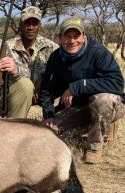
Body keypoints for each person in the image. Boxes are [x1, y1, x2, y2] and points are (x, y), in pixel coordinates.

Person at [40, 16, 125, 164]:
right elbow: (47, 88)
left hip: (107, 104)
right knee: (50, 134)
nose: (72, 41)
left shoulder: (99, 53)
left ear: (84, 36)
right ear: (60, 38)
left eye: (76, 36)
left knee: (103, 100)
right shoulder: (55, 57)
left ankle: (95, 146)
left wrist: (77, 86)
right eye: (67, 36)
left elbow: (117, 84)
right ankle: (96, 125)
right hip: (77, 107)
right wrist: (49, 114)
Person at [6, 6, 59, 110]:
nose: (30, 27)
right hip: (16, 96)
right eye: (27, 23)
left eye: (34, 23)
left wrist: (41, 83)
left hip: (43, 96)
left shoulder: (53, 48)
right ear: (21, 24)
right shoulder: (7, 47)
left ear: (39, 25)